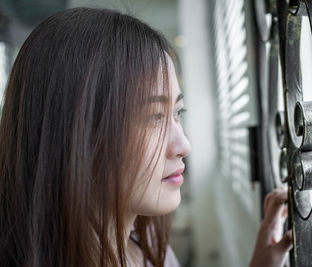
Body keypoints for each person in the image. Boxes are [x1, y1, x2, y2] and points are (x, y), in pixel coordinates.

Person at [0, 7, 292, 267]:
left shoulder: (148, 244)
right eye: (154, 117)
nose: (184, 146)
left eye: (178, 112)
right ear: (77, 132)